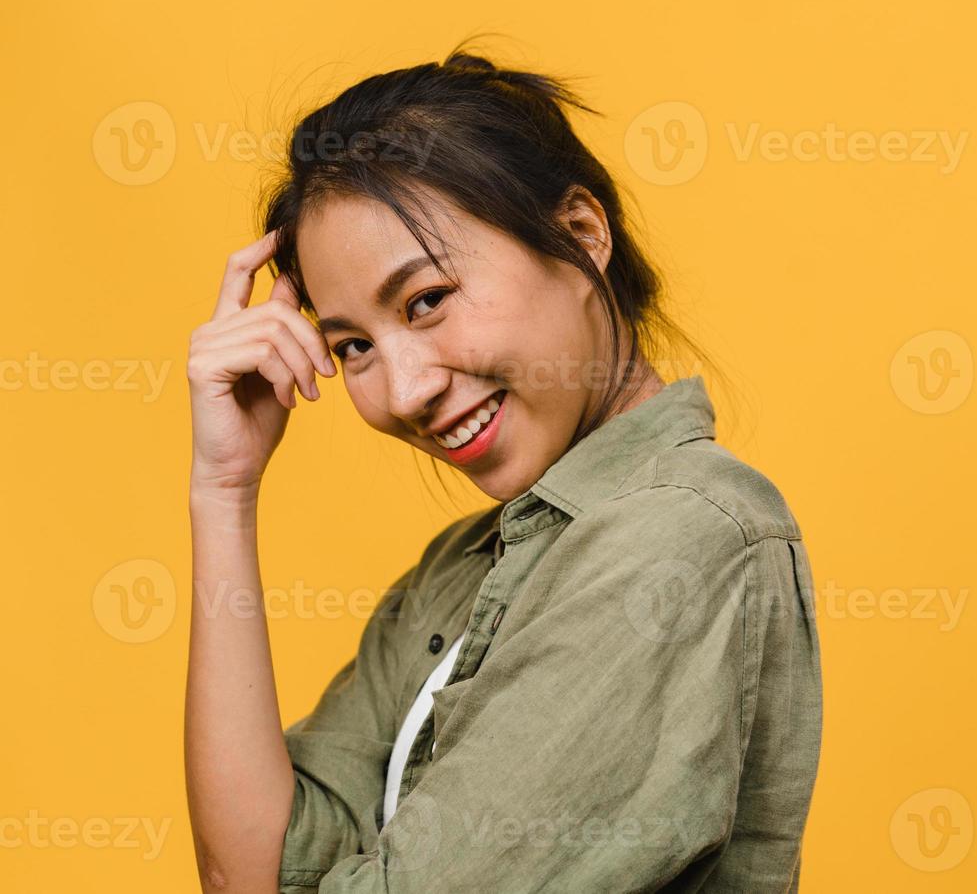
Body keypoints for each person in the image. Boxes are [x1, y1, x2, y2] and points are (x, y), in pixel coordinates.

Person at [182, 45, 823, 892]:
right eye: (353, 347)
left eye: (426, 300)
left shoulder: (679, 537)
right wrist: (223, 491)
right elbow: (255, 871)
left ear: (581, 235)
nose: (406, 390)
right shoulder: (462, 567)